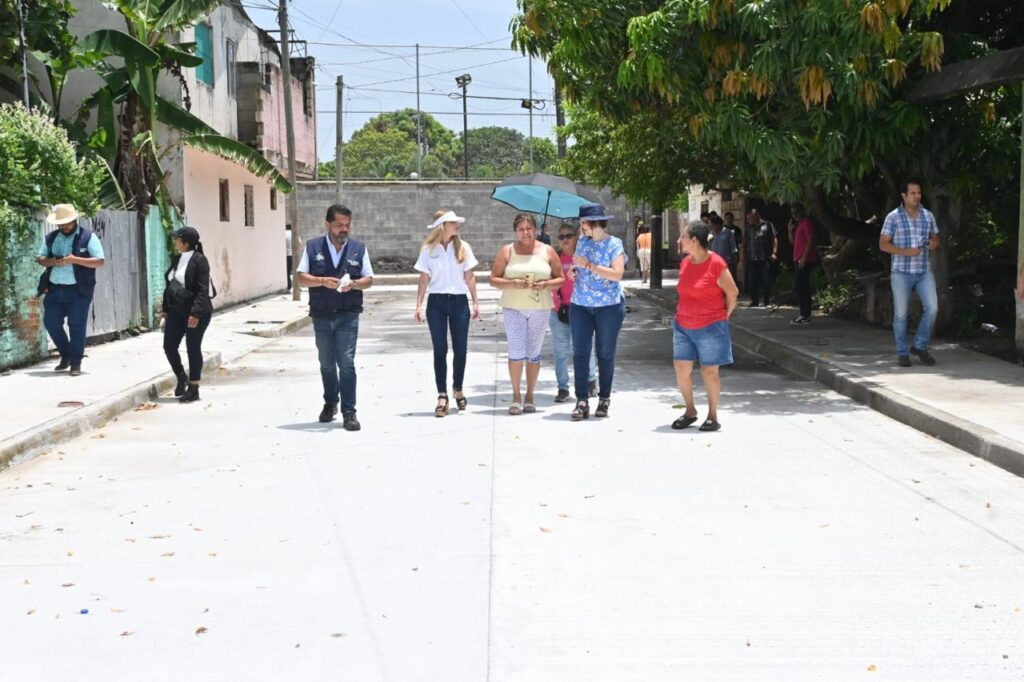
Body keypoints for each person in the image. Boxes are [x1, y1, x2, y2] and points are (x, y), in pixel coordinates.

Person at [296, 204, 374, 430]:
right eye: (339, 224)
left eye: (347, 225)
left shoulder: (359, 249)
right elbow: (301, 278)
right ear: (328, 224)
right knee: (327, 363)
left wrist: (355, 284)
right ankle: (331, 403)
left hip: (348, 314)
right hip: (321, 315)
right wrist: (321, 281)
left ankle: (350, 411)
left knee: (346, 362)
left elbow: (369, 279)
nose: (344, 229)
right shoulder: (313, 247)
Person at [490, 213, 564, 415]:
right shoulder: (507, 251)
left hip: (539, 308)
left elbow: (560, 279)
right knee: (515, 351)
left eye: (529, 228)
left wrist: (546, 284)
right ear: (516, 231)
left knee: (533, 353)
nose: (525, 232)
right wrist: (512, 283)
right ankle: (515, 396)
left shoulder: (547, 251)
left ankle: (530, 396)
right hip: (513, 306)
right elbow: (494, 279)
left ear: (535, 229)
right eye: (521, 229)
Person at [671, 221, 739, 432]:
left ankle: (712, 416)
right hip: (683, 324)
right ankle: (690, 411)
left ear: (694, 240)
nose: (679, 240)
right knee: (682, 368)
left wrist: (722, 317)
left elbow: (733, 293)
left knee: (709, 372)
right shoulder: (685, 262)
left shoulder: (716, 263)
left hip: (710, 326)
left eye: (683, 236)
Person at [414, 209, 480, 417]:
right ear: (443, 225)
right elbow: (424, 279)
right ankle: (442, 395)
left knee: (460, 349)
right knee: (440, 349)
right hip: (436, 303)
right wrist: (418, 305)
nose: (457, 225)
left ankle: (457, 388)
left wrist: (476, 302)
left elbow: (470, 277)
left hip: (460, 302)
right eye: (453, 222)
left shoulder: (464, 247)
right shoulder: (428, 249)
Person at [569, 203, 626, 420]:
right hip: (581, 304)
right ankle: (581, 400)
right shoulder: (582, 242)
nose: (581, 227)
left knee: (605, 353)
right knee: (580, 352)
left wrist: (589, 265)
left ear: (595, 223)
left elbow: (617, 274)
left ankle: (604, 399)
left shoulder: (614, 244)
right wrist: (574, 272)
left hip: (609, 307)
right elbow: (578, 266)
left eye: (583, 223)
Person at [35, 204, 105, 376]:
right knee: (50, 323)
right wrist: (51, 261)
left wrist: (75, 259)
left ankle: (76, 363)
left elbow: (99, 261)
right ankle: (66, 354)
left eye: (66, 223)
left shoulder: (88, 237)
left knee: (76, 326)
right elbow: (41, 258)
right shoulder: (51, 237)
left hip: (79, 291)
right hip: (54, 289)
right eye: (60, 224)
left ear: (74, 220)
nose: (63, 227)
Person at [879, 179, 940, 367]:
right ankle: (902, 353)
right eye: (913, 193)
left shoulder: (927, 216)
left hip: (923, 271)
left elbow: (936, 237)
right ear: (904, 196)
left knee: (933, 308)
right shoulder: (893, 217)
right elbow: (883, 244)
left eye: (919, 193)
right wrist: (906, 251)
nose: (917, 196)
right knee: (901, 314)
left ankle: (920, 346)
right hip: (901, 272)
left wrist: (934, 243)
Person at [162, 227, 214, 403]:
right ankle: (181, 376)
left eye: (177, 239)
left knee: (193, 347)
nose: (175, 241)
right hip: (176, 311)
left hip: (197, 312)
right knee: (169, 346)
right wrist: (165, 310)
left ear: (185, 242)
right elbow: (169, 286)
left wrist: (196, 313)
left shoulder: (200, 261)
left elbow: (202, 290)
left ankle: (194, 387)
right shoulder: (177, 260)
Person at [550, 221, 597, 403]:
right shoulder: (553, 258)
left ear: (576, 237)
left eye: (568, 236)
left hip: (582, 310)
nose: (564, 240)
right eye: (561, 237)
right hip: (558, 311)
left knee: (584, 348)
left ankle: (590, 379)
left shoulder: (584, 257)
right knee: (560, 351)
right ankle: (563, 387)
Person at [789, 203, 818, 325]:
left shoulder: (806, 223)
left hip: (805, 259)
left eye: (796, 213)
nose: (794, 216)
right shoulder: (800, 225)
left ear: (802, 212)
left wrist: (804, 258)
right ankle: (804, 313)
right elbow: (793, 242)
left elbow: (810, 240)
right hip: (798, 258)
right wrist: (790, 230)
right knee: (800, 286)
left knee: (801, 286)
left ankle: (805, 314)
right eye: (792, 214)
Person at [745, 209, 778, 307]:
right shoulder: (748, 227)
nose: (749, 220)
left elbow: (774, 238)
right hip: (752, 257)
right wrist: (744, 257)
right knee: (752, 280)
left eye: (750, 218)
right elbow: (745, 242)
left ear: (756, 216)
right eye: (748, 219)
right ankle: (754, 301)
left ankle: (766, 301)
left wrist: (774, 252)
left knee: (766, 280)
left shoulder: (767, 225)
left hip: (764, 257)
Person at [723, 211, 743, 285]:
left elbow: (740, 240)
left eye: (730, 218)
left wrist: (732, 239)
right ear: (725, 219)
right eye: (727, 218)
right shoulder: (722, 228)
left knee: (733, 271)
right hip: (724, 252)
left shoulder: (736, 229)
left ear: (732, 219)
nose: (728, 220)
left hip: (734, 252)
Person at [285, 224, 293, 289]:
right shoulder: (293, 234)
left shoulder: (284, 234)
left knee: (287, 272)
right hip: (293, 255)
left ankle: (289, 286)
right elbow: (300, 243)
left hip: (286, 255)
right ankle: (296, 286)